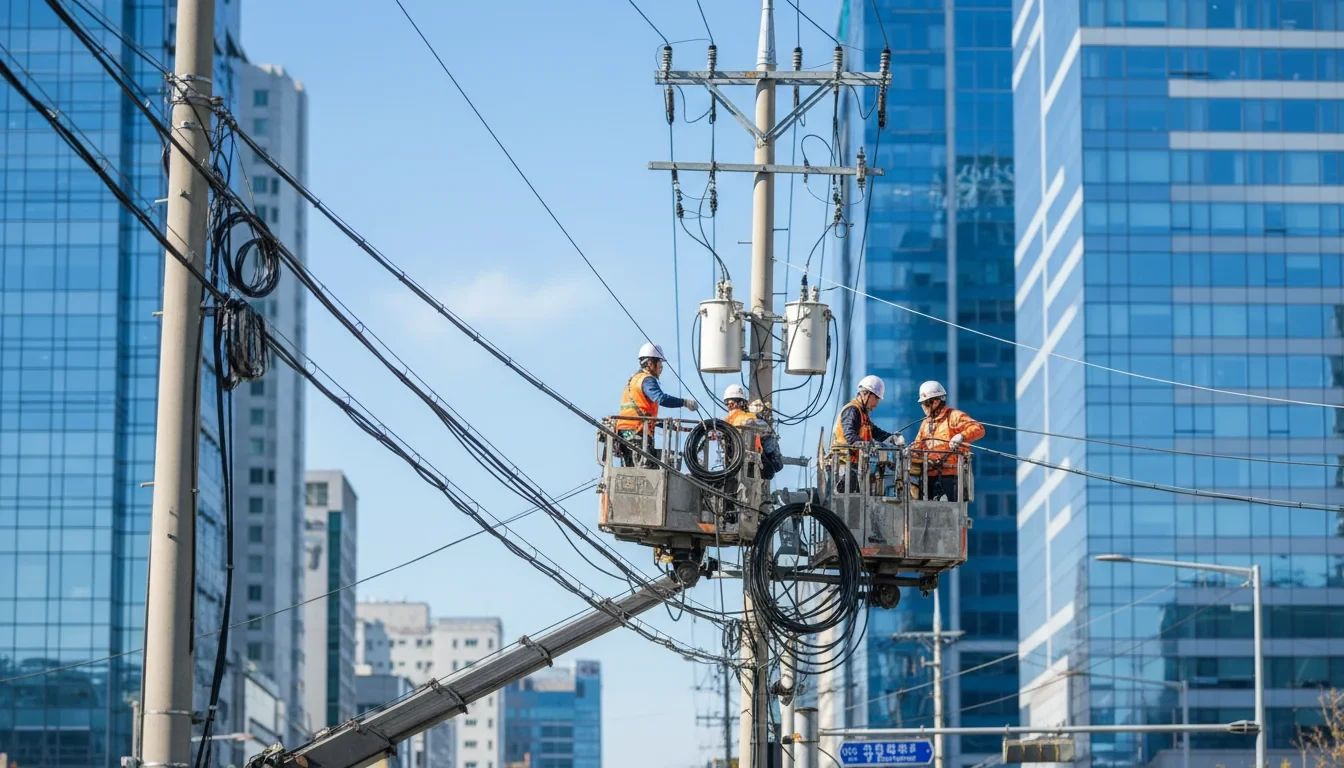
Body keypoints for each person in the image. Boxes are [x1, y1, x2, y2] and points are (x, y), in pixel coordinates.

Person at [613, 342, 698, 465]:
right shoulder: (647, 380)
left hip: (624, 433)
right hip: (638, 432)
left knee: (632, 469)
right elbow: (660, 398)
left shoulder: (633, 380)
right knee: (646, 470)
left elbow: (640, 411)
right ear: (650, 363)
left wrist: (663, 424)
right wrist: (684, 402)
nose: (661, 368)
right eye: (660, 364)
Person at [910, 380, 984, 501]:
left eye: (925, 403)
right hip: (929, 477)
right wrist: (910, 451)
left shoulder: (954, 416)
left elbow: (978, 428)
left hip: (951, 477)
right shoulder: (926, 423)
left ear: (935, 401)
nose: (923, 407)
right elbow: (918, 445)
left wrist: (962, 436)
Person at [831, 375, 899, 491]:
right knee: (848, 500)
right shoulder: (852, 410)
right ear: (865, 394)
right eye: (876, 398)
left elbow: (875, 431)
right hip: (844, 465)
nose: (877, 403)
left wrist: (892, 438)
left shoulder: (863, 414)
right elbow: (850, 435)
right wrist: (868, 446)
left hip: (856, 465)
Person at [722, 384, 784, 479]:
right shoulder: (750, 418)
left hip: (738, 466)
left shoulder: (729, 422)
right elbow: (768, 440)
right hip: (751, 466)